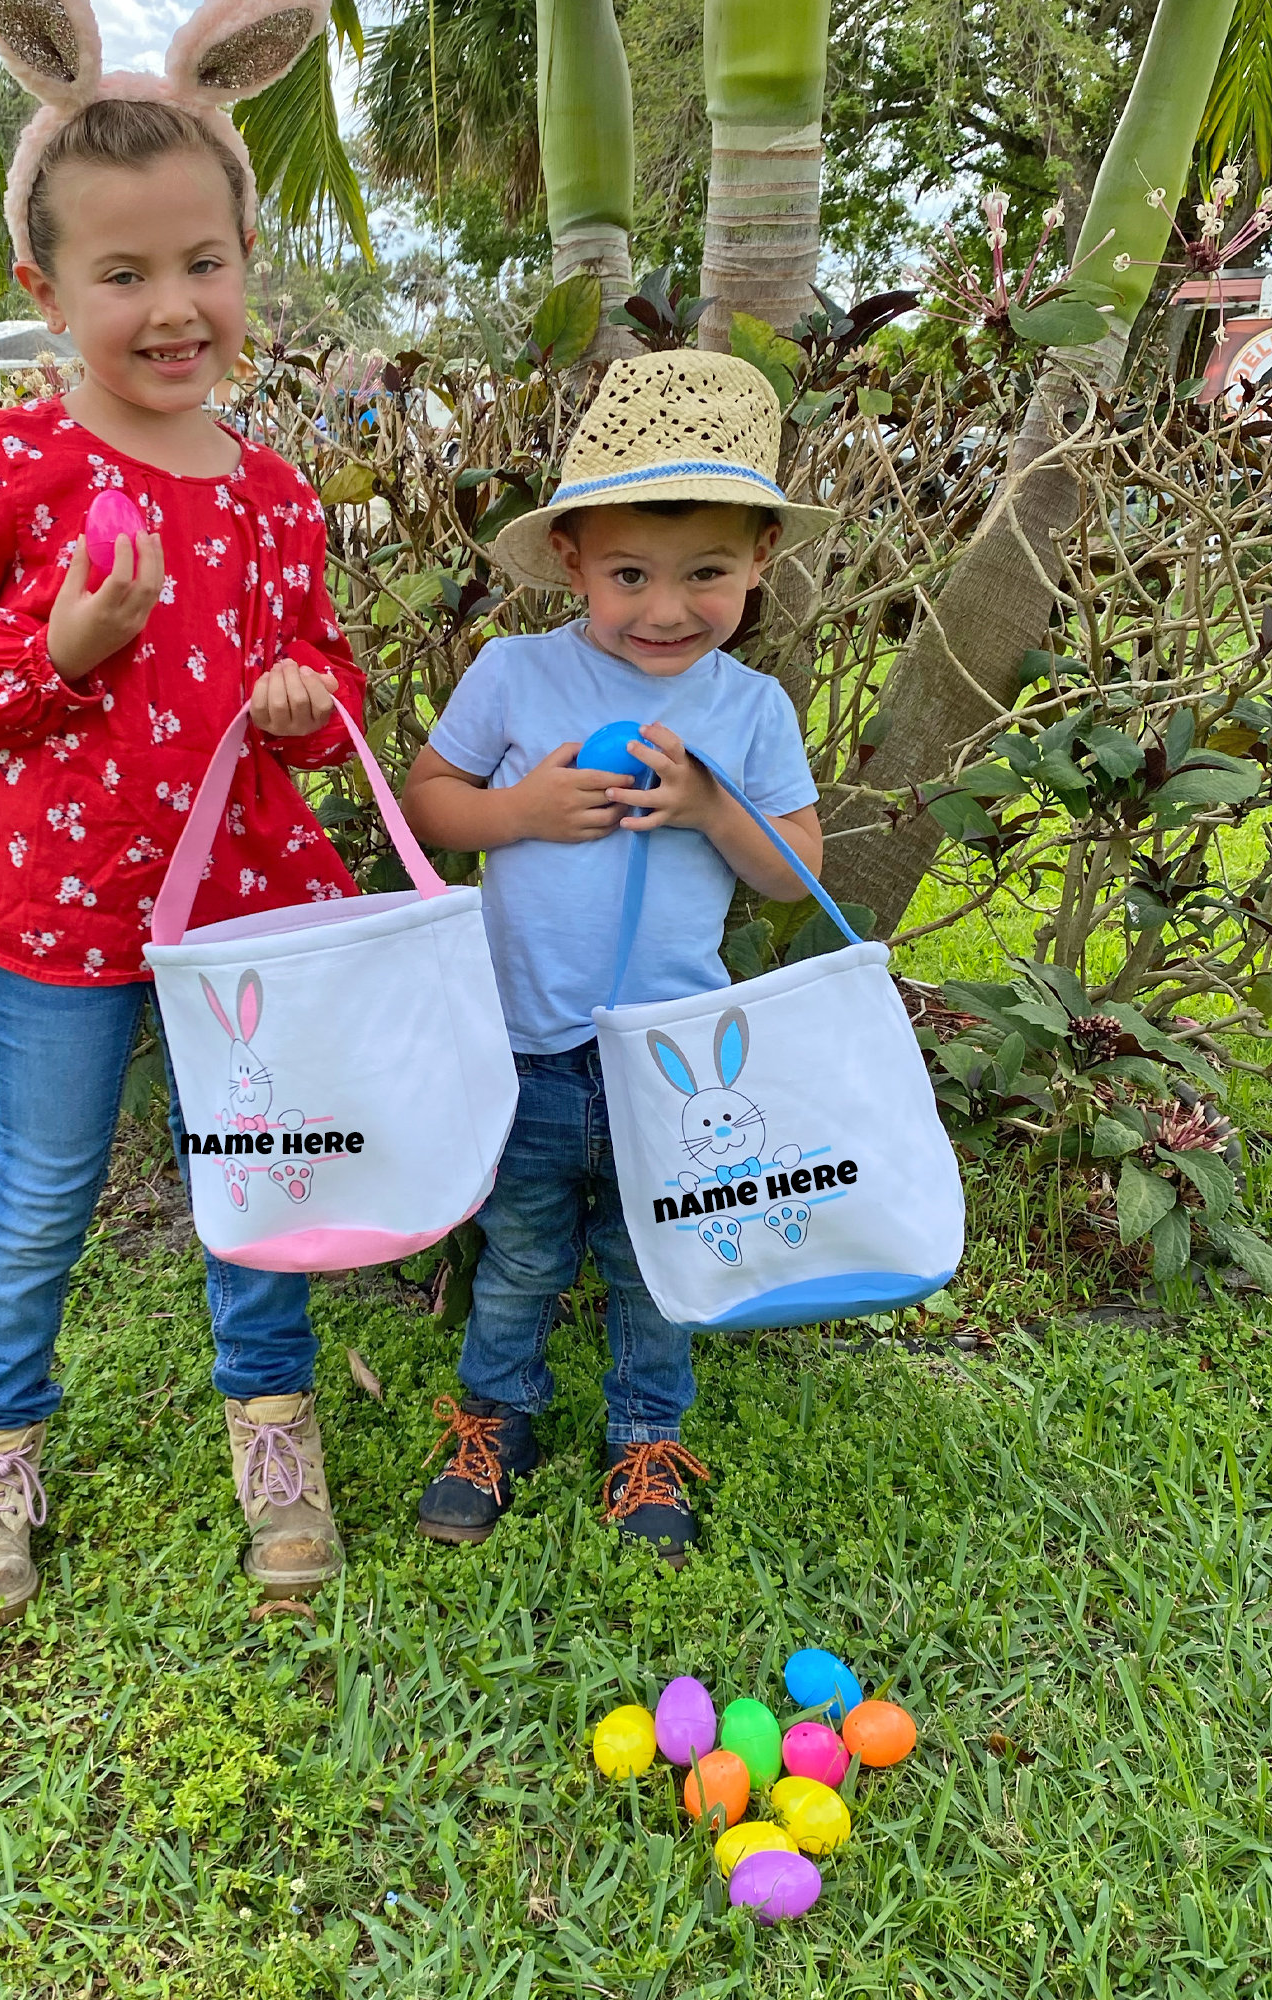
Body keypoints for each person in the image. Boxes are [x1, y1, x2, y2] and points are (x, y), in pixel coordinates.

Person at [0, 86, 365, 1625]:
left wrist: (303, 706)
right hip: (53, 915)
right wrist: (61, 647)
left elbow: (324, 681)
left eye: (203, 265)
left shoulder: (275, 495)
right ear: (47, 293)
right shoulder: (11, 464)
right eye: (125, 276)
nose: (173, 309)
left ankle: (273, 1431)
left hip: (241, 916)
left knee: (253, 1178)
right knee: (44, 1187)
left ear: (246, 258)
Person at [400, 351, 839, 1567]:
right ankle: (496, 1418)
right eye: (629, 574)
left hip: (678, 1064)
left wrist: (709, 807)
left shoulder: (748, 708)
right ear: (570, 560)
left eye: (705, 573)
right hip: (527, 1047)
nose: (663, 608)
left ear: (759, 561)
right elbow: (427, 801)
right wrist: (517, 814)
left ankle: (645, 1437)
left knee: (657, 1263)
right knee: (521, 1249)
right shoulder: (516, 674)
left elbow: (793, 869)